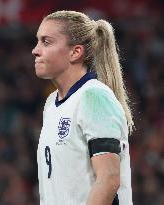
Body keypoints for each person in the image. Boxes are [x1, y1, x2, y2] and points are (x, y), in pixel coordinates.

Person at [32, 10, 134, 205]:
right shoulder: (51, 104)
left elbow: (109, 178)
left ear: (75, 52)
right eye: (38, 41)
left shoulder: (94, 97)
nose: (35, 50)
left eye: (46, 42)